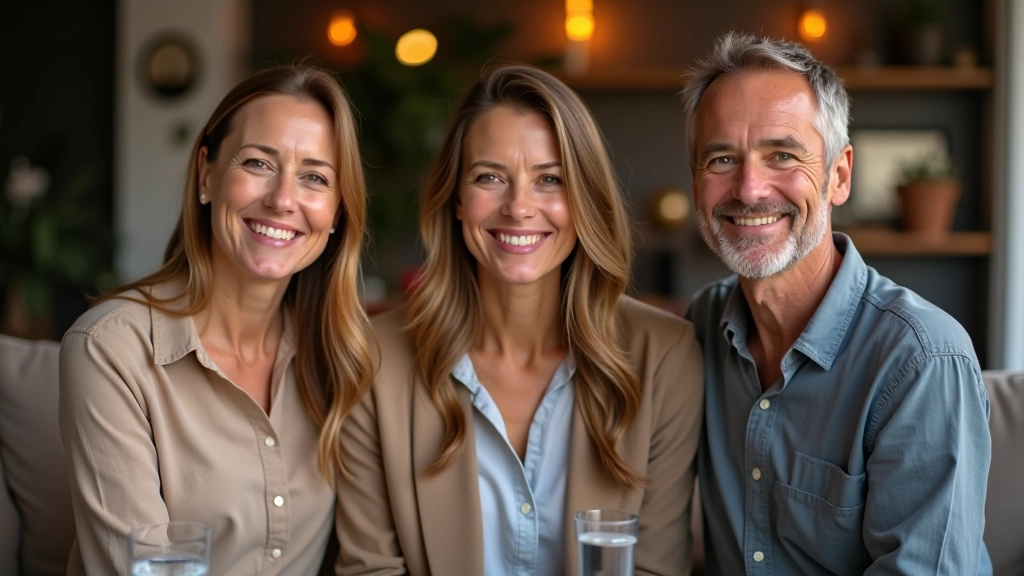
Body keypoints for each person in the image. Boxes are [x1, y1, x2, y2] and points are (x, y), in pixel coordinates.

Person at [334, 64, 704, 575]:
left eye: (549, 179)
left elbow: (655, 568)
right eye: (490, 177)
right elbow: (371, 569)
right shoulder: (372, 359)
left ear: (584, 199)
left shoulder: (664, 355)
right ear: (457, 199)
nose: (519, 207)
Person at [681, 32, 992, 575]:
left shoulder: (921, 360)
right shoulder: (700, 329)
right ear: (695, 182)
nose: (750, 189)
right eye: (723, 158)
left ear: (839, 175)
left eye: (782, 155)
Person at [58, 63, 374, 575]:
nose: (283, 199)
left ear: (337, 211)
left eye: (315, 176)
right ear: (207, 173)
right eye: (257, 163)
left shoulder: (345, 354)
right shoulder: (110, 348)